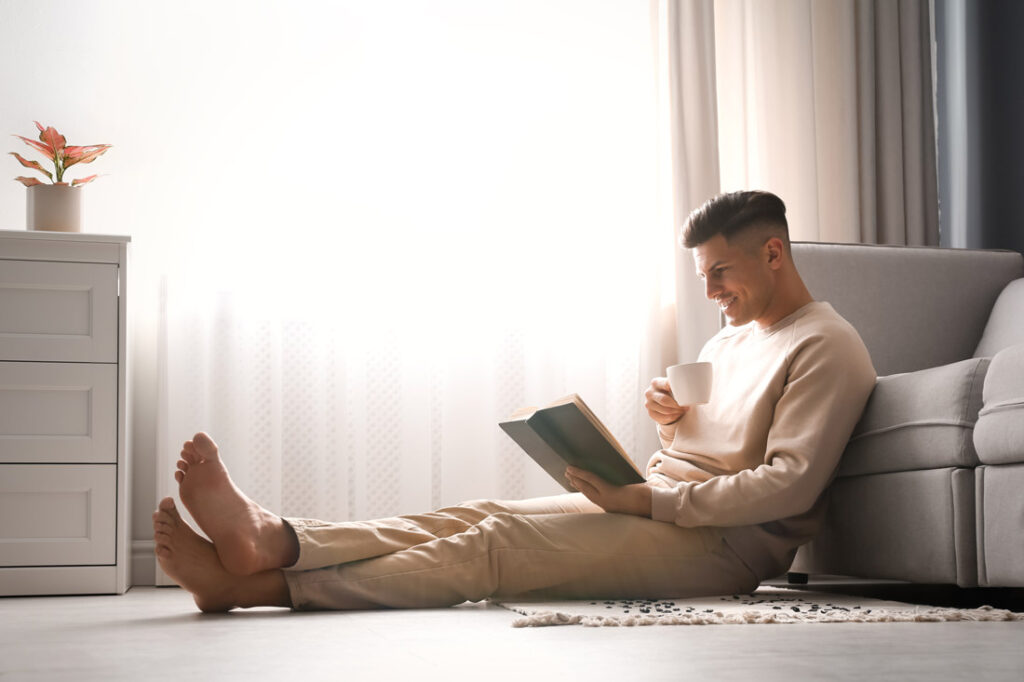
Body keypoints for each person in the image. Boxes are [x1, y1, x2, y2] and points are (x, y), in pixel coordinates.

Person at [153, 190, 876, 612]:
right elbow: (711, 450)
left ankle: (260, 588)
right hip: (668, 503)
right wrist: (674, 424)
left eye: (720, 272)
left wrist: (645, 503)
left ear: (773, 254)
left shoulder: (829, 347)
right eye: (703, 275)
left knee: (495, 549)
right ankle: (278, 538)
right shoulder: (730, 340)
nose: (710, 292)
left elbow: (787, 486)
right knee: (482, 514)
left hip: (724, 548)